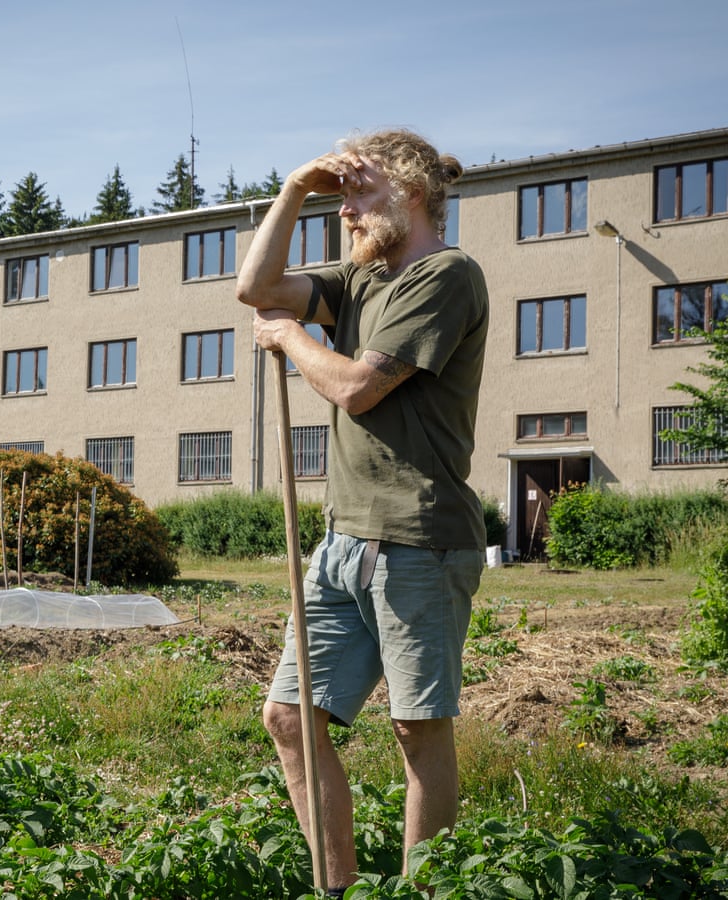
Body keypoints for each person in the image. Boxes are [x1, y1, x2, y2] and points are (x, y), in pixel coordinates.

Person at [235, 128, 489, 894]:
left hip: (420, 540)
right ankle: (336, 889)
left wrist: (291, 336)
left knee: (417, 729)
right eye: (338, 196)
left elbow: (355, 386)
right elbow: (254, 289)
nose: (343, 211)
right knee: (290, 721)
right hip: (341, 542)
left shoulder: (446, 276)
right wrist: (291, 188)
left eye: (358, 193)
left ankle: (424, 890)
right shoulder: (357, 280)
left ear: (408, 193)